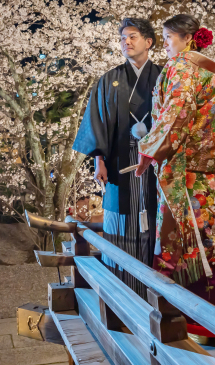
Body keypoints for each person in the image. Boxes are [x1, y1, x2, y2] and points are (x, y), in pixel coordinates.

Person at [135, 14, 215, 340]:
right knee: (212, 241)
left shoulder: (181, 69)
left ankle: (192, 321)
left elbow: (176, 111)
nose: (164, 44)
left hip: (185, 175)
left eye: (167, 38)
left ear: (186, 39)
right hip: (212, 176)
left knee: (185, 243)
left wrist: (150, 148)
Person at [73, 17, 162, 298]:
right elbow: (96, 121)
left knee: (156, 217)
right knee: (120, 220)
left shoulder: (165, 76)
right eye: (123, 38)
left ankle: (157, 290)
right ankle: (121, 292)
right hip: (118, 163)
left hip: (157, 162)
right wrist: (99, 159)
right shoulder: (108, 80)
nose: (127, 42)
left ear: (149, 42)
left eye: (133, 37)